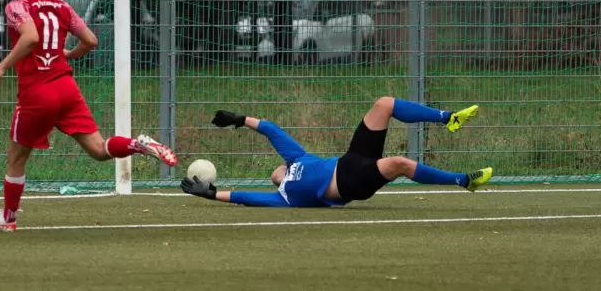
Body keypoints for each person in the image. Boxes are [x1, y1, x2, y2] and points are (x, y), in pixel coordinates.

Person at [0, 0, 177, 231]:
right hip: (66, 87)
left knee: (16, 159)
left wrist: (1, 67)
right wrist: (70, 55)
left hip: (38, 93)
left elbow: (30, 37)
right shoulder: (61, 5)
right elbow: (91, 40)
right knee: (98, 150)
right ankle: (139, 144)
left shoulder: (17, 6)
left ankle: (9, 219)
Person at [181, 99, 491, 207]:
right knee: (400, 163)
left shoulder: (296, 159)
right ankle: (464, 180)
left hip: (351, 160)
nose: (274, 172)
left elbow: (272, 131)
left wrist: (239, 120)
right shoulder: (286, 196)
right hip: (349, 183)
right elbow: (248, 198)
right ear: (276, 182)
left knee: (383, 104)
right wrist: (212, 194)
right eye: (273, 176)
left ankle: (448, 118)